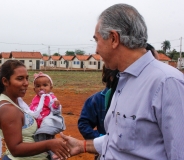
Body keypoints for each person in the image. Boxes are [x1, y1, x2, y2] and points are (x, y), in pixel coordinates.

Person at [55, 3, 184, 160]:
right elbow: (118, 140)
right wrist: (83, 146)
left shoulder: (166, 82)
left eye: (97, 40)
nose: (96, 50)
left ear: (114, 39)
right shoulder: (123, 80)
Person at [0, 60, 70, 160]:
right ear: (5, 81)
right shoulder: (9, 110)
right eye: (20, 79)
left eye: (27, 78)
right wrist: (48, 144)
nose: (26, 83)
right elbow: (15, 149)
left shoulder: (18, 102)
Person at [77, 65, 118, 160]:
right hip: (104, 153)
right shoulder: (97, 100)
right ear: (112, 78)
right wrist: (100, 139)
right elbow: (84, 123)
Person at [28, 72, 66, 159]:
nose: (41, 88)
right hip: (38, 126)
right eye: (38, 86)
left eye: (45, 85)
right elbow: (33, 108)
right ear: (34, 89)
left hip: (46, 127)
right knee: (40, 141)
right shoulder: (35, 98)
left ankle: (54, 156)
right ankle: (44, 153)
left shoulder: (49, 97)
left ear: (50, 87)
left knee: (47, 142)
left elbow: (54, 108)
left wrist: (56, 106)